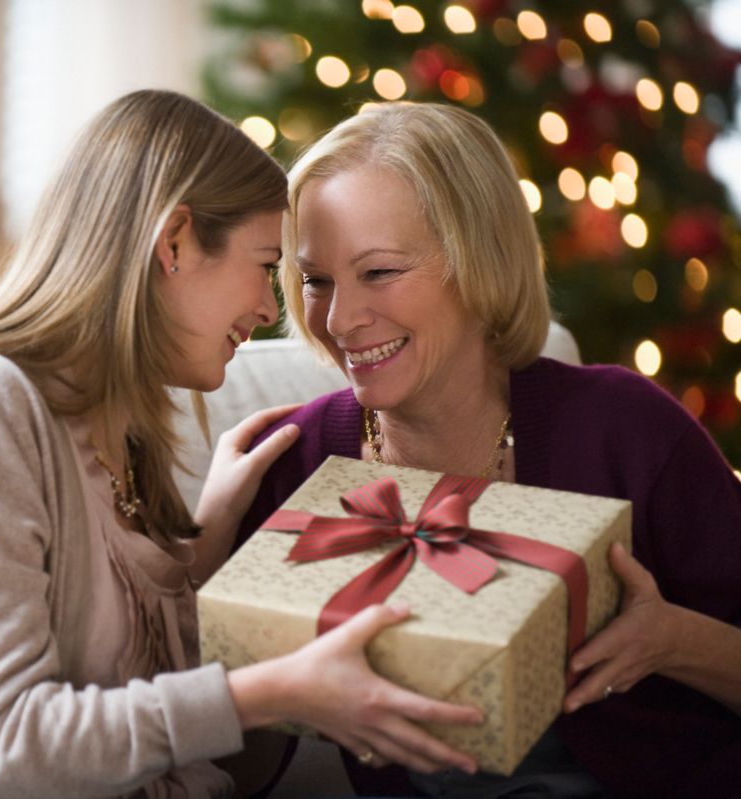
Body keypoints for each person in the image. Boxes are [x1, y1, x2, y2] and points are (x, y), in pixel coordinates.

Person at [0, 90, 484, 799]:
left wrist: (199, 551)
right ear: (175, 242)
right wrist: (265, 690)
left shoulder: (122, 439)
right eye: (264, 265)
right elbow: (3, 753)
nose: (268, 307)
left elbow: (170, 741)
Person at [216, 101, 741, 797]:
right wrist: (206, 547)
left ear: (478, 261)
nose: (339, 320)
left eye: (378, 273)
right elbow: (238, 775)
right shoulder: (296, 461)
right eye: (316, 280)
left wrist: (670, 639)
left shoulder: (627, 429)